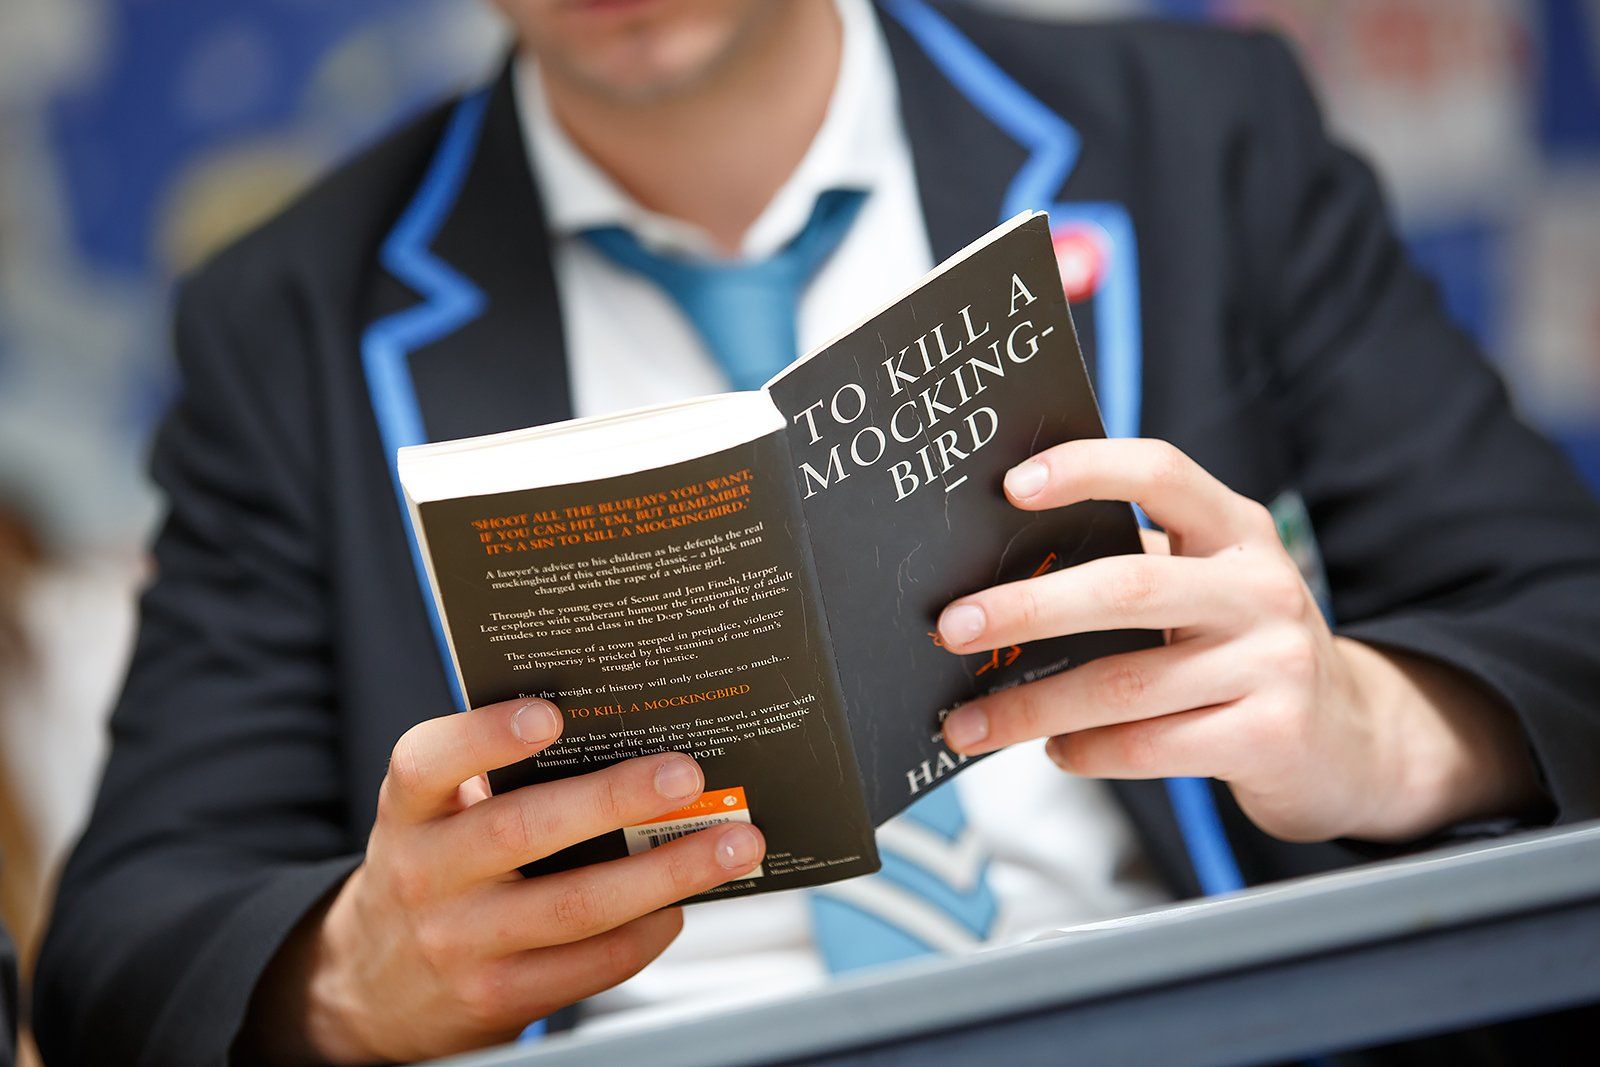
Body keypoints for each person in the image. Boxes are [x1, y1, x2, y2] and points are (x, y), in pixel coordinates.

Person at [33, 0, 1600, 1063]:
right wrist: (362, 973)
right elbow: (122, 952)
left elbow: (1565, 622)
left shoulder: (1197, 141)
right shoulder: (294, 314)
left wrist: (1373, 728)